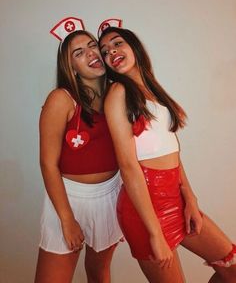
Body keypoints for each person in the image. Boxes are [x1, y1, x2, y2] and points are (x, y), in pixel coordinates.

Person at [98, 26, 236, 283]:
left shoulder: (152, 89)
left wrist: (189, 197)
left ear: (134, 47)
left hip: (176, 196)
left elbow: (170, 148)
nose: (111, 52)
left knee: (231, 267)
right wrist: (154, 234)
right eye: (105, 51)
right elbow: (128, 166)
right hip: (145, 207)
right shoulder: (118, 94)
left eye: (117, 44)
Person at [34, 25, 123, 283]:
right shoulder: (61, 99)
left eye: (92, 46)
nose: (91, 53)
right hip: (68, 199)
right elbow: (47, 164)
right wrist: (66, 218)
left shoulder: (116, 94)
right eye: (79, 52)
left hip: (110, 196)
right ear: (70, 67)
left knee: (99, 273)